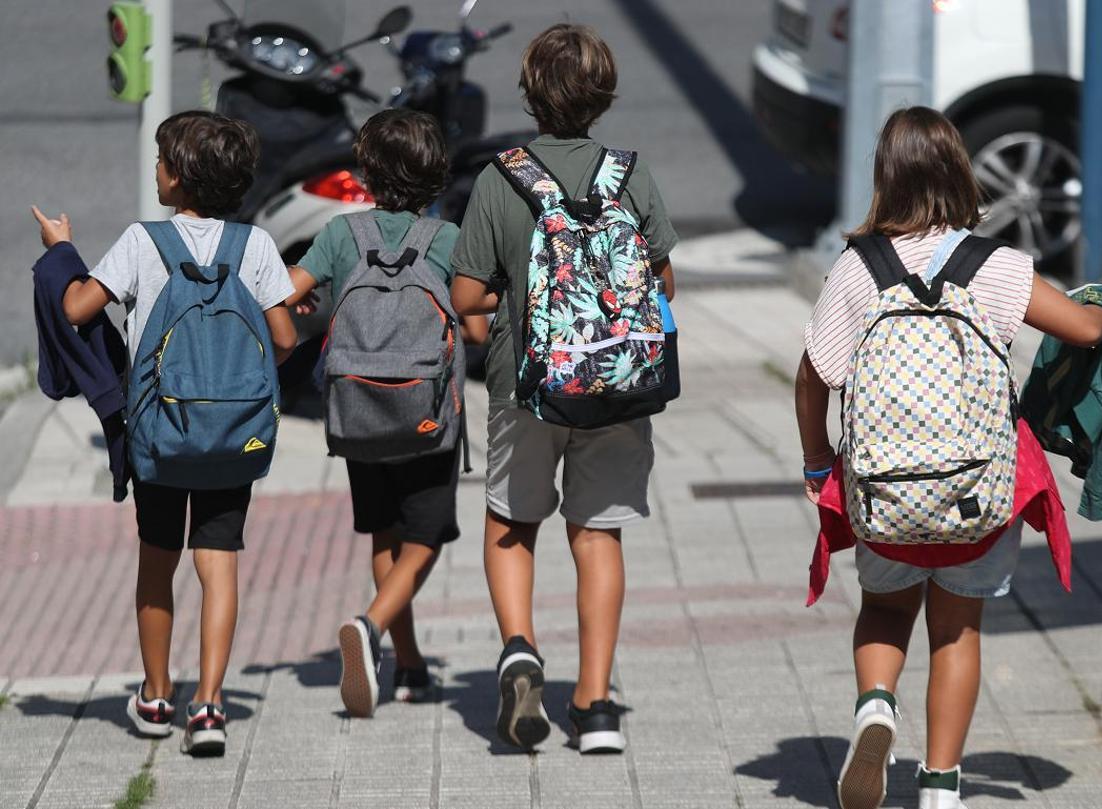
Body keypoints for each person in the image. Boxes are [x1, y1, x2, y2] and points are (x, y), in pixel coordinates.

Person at [795, 106, 1102, 809]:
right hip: (975, 491)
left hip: (885, 491)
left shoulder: (858, 268)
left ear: (885, 178)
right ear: (959, 174)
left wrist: (819, 459)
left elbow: (813, 374)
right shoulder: (992, 266)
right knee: (957, 624)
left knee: (884, 610)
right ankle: (941, 785)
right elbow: (1086, 329)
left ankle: (876, 706)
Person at [32, 110, 297, 756]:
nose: (155, 169)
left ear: (178, 178)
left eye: (161, 161)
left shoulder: (141, 242)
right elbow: (285, 339)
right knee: (220, 561)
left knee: (158, 560)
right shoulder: (255, 246)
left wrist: (60, 250)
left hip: (159, 433)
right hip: (235, 435)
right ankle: (209, 706)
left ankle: (155, 694)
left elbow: (75, 309)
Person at [450, 23, 678, 754]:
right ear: (603, 96)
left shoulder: (502, 176)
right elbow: (663, 281)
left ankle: (520, 648)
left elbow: (465, 293)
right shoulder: (630, 174)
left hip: (528, 384)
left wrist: (497, 314)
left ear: (530, 95)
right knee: (597, 531)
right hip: (617, 382)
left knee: (511, 524)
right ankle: (597, 703)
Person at [285, 109, 462, 717]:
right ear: (436, 176)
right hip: (426, 416)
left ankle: (409, 666)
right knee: (428, 535)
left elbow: (286, 288)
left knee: (385, 529)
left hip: (358, 413)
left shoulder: (342, 234)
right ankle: (371, 625)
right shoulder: (447, 241)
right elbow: (474, 315)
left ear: (367, 173)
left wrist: (306, 309)